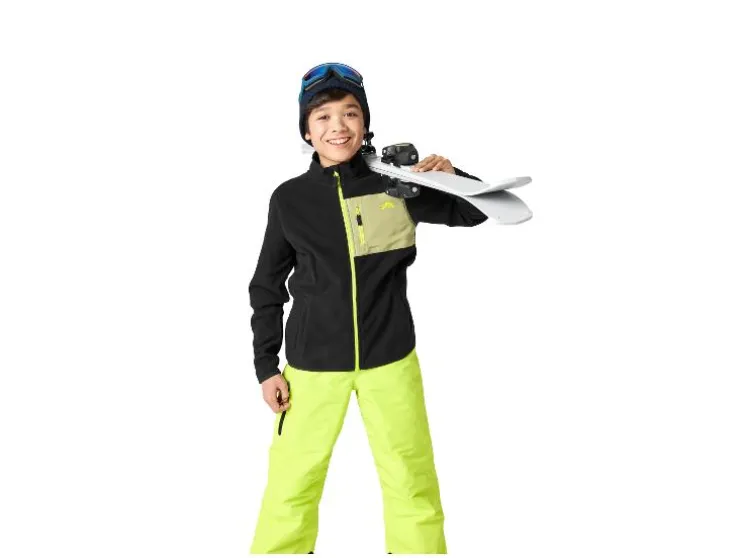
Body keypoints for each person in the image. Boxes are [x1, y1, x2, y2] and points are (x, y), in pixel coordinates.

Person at [249, 62, 487, 554]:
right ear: (307, 131)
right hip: (312, 367)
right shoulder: (290, 200)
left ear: (365, 123)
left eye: (350, 114)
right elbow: (266, 287)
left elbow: (476, 211)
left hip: (391, 360)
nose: (338, 127)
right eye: (323, 117)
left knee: (411, 481)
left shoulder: (397, 186)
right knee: (292, 485)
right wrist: (266, 366)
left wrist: (452, 177)